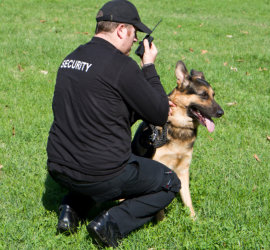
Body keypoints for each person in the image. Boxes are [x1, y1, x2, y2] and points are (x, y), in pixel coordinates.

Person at [46, 0, 181, 247]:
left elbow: (102, 111)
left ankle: (70, 209)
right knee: (169, 182)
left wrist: (141, 107)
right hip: (100, 173)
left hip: (58, 166)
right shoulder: (122, 66)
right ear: (121, 30)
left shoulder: (70, 58)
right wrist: (148, 66)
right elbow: (160, 113)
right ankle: (109, 224)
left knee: (90, 168)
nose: (135, 42)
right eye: (134, 34)